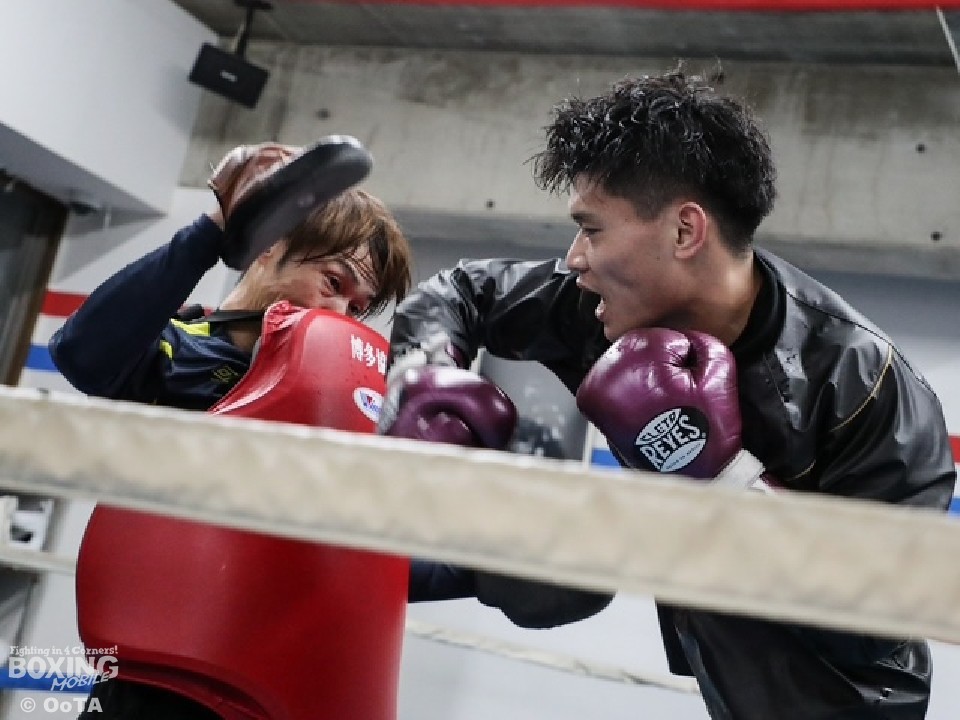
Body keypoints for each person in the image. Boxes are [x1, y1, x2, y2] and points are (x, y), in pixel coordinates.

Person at [379, 70, 957, 719]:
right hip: (723, 670)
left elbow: (882, 613)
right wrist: (422, 370)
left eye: (592, 229)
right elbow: (462, 293)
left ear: (685, 232)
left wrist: (725, 482)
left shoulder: (867, 386)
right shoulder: (601, 308)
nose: (575, 258)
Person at [50, 139, 413, 718]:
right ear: (270, 245)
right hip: (159, 674)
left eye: (357, 303)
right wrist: (218, 225)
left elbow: (351, 549)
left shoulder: (352, 393)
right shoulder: (178, 347)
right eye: (332, 282)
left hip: (273, 681)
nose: (340, 314)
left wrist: (485, 569)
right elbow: (82, 354)